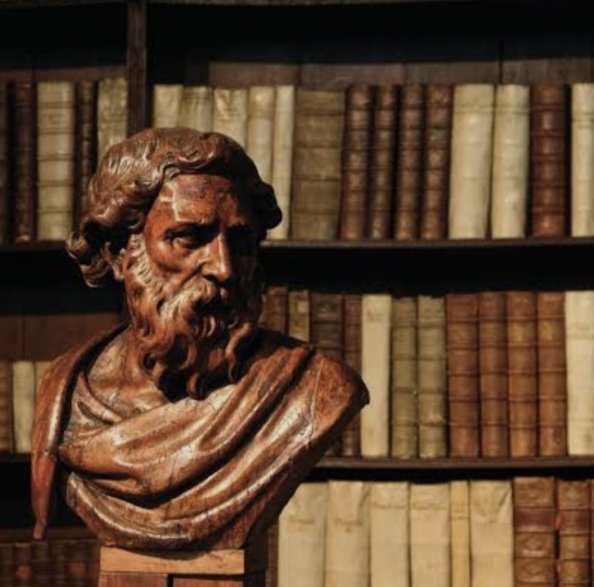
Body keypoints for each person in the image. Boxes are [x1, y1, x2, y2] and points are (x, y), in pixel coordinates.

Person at [31, 128, 367, 550]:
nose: (224, 268)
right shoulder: (66, 394)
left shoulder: (314, 389)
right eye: (189, 238)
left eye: (240, 241)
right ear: (120, 253)